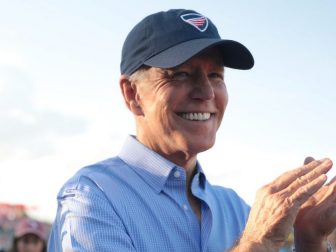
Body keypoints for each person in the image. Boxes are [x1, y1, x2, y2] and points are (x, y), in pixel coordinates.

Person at [48, 9, 336, 252]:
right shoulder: (92, 198)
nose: (206, 92)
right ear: (132, 93)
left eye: (215, 75)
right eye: (181, 74)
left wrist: (309, 238)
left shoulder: (235, 208)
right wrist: (256, 243)